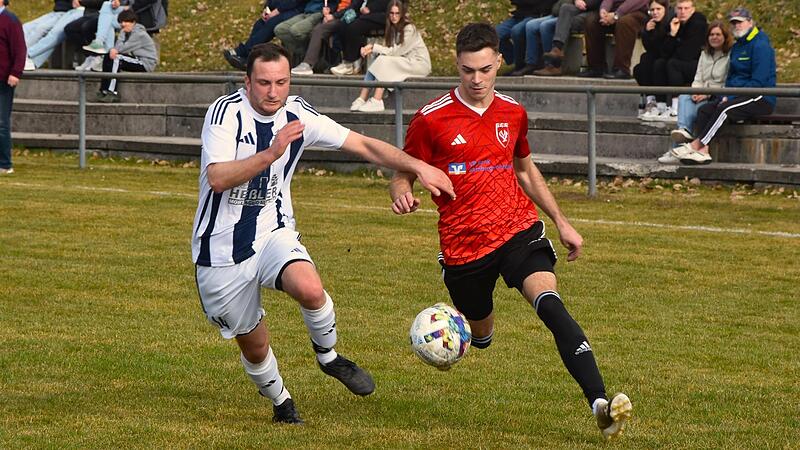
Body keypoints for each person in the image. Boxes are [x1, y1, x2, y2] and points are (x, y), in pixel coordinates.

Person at [389, 23, 632, 439]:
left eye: (485, 69)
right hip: (464, 245)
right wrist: (402, 193)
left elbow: (525, 170)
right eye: (468, 70)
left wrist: (562, 221)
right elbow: (402, 172)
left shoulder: (512, 112)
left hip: (517, 228)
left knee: (551, 306)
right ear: (457, 65)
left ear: (499, 61)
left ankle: (600, 405)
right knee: (480, 335)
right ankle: (473, 334)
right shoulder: (430, 119)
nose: (477, 79)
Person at [192, 42, 454, 424]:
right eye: (263, 83)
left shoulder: (297, 114)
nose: (273, 92)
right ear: (246, 82)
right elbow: (217, 178)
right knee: (254, 343)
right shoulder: (226, 113)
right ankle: (282, 403)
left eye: (281, 82)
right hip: (219, 251)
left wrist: (419, 167)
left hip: (271, 230)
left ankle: (329, 357)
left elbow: (363, 144)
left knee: (311, 288)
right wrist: (271, 152)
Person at [670, 7, 776, 165]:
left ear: (750, 22)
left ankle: (696, 145)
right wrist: (725, 95)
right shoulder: (738, 46)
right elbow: (731, 76)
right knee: (705, 110)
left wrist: (730, 96)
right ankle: (703, 152)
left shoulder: (760, 45)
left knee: (724, 109)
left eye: (740, 22)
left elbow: (758, 83)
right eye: (733, 23)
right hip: (738, 95)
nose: (737, 26)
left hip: (760, 97)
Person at [657, 21, 730, 164]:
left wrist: (706, 94)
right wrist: (695, 91)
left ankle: (677, 150)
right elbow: (698, 77)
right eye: (711, 35)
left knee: (693, 113)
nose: (714, 37)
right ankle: (683, 131)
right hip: (700, 92)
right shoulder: (704, 54)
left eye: (718, 34)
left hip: (716, 96)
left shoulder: (729, 55)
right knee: (684, 97)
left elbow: (726, 82)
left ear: (725, 37)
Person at [349, 0, 430, 112]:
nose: (394, 16)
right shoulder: (392, 29)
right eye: (391, 13)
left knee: (384, 60)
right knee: (380, 59)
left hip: (418, 64)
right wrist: (373, 49)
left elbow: (397, 51)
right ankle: (362, 98)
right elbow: (388, 50)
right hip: (405, 61)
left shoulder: (409, 28)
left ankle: (377, 100)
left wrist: (373, 47)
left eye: (397, 13)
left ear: (402, 14)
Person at [640, 0, 707, 121]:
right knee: (658, 63)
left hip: (697, 66)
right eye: (680, 8)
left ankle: (676, 109)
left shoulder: (698, 23)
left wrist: (673, 47)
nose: (683, 12)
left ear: (692, 10)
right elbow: (663, 52)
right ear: (675, 10)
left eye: (686, 8)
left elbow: (687, 53)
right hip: (678, 61)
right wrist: (672, 34)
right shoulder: (674, 23)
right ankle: (660, 106)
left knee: (672, 64)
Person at [95, 9, 158, 103]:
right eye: (121, 22)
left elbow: (124, 48)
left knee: (116, 58)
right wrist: (114, 49)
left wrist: (121, 36)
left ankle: (112, 92)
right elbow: (117, 48)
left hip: (146, 63)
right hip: (137, 59)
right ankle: (103, 90)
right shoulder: (128, 33)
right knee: (108, 57)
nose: (123, 24)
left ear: (133, 22)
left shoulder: (139, 34)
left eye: (126, 22)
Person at [222, 1, 302, 71]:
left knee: (271, 24)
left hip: (296, 10)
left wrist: (277, 11)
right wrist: (267, 9)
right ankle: (248, 55)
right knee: (259, 24)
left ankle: (245, 53)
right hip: (279, 9)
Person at [578, 0, 648, 79]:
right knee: (591, 21)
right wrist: (604, 10)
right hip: (614, 12)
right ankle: (596, 67)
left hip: (637, 12)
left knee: (625, 22)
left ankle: (622, 69)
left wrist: (617, 14)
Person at [532, 0, 601, 76]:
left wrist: (585, 4)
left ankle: (555, 64)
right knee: (565, 9)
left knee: (565, 22)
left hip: (596, 11)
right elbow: (556, 9)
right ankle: (556, 51)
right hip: (577, 10)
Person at [509, 0, 572, 76]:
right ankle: (531, 64)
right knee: (530, 26)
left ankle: (550, 64)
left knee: (545, 26)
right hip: (555, 12)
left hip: (566, 14)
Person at [290, 0, 353, 75]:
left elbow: (354, 6)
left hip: (346, 17)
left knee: (319, 29)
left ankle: (308, 63)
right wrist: (329, 12)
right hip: (334, 15)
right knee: (316, 30)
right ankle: (313, 63)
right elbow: (334, 4)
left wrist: (334, 16)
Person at [330, 0, 390, 76]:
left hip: (383, 15)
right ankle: (349, 61)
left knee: (354, 28)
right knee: (343, 25)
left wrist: (370, 9)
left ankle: (350, 62)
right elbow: (356, 4)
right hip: (366, 14)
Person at [496, 0, 556, 76]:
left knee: (517, 31)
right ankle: (514, 62)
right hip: (518, 15)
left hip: (535, 15)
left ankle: (521, 64)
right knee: (497, 33)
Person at [632, 0, 670, 119]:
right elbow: (649, 48)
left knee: (656, 64)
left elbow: (665, 49)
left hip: (668, 59)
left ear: (665, 10)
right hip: (655, 58)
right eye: (652, 10)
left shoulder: (670, 23)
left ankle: (661, 104)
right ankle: (650, 100)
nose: (655, 12)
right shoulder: (651, 24)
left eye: (658, 9)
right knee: (641, 64)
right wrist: (647, 33)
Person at [22, 0, 86, 70]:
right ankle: (18, 53)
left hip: (80, 10)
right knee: (26, 27)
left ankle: (27, 56)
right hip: (62, 10)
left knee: (51, 31)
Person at [0, 0, 24, 175]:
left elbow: (20, 49)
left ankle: (5, 164)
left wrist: (15, 72)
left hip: (3, 79)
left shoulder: (11, 20)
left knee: (1, 122)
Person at [274, 0, 338, 65]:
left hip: (319, 13)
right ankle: (307, 53)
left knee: (296, 30)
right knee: (280, 30)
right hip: (306, 11)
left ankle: (311, 55)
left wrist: (330, 10)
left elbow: (335, 3)